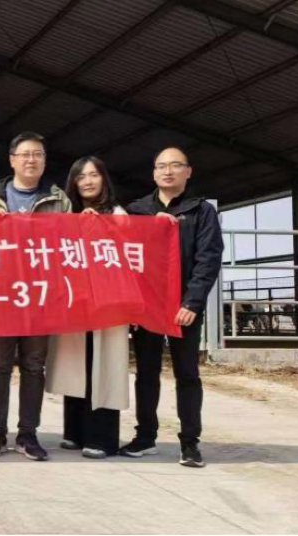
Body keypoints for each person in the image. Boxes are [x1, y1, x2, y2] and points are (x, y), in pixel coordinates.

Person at [121, 147, 224, 468]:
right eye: (161, 166)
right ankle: (145, 436)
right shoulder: (136, 211)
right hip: (147, 307)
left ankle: (190, 443)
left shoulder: (201, 210)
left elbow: (208, 258)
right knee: (146, 373)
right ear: (153, 173)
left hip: (184, 307)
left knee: (187, 374)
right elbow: (124, 257)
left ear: (188, 171)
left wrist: (193, 301)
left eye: (175, 165)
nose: (168, 171)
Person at [0, 131, 72, 462]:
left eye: (38, 154)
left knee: (33, 366)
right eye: (25, 154)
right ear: (12, 160)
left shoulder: (58, 199)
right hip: (1, 296)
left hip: (40, 296)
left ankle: (28, 434)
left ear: (44, 161)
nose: (31, 160)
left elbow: (70, 244)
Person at [47, 156, 130, 459]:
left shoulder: (117, 213)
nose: (88, 181)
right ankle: (75, 432)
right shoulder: (66, 213)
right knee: (76, 366)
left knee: (102, 367)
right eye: (81, 176)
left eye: (94, 175)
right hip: (75, 302)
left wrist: (98, 227)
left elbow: (127, 250)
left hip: (107, 303)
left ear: (104, 179)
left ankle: (102, 438)